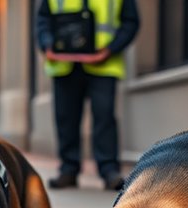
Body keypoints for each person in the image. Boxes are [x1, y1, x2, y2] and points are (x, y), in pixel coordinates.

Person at [35, 0, 139, 191]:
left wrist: (110, 49)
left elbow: (130, 22)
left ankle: (109, 170)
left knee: (104, 117)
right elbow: (43, 19)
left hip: (103, 64)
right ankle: (68, 169)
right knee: (66, 118)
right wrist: (47, 44)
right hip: (64, 63)